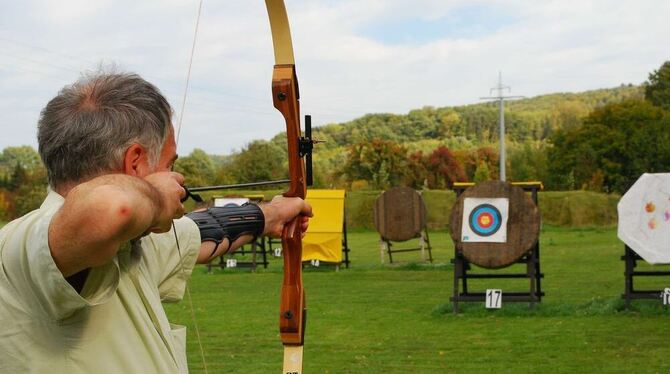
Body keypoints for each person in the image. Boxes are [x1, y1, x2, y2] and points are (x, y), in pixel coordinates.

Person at [0, 71, 312, 373]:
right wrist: (158, 197)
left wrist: (272, 214)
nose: (177, 179)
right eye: (169, 164)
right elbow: (112, 208)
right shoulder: (22, 247)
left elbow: (207, 230)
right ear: (135, 162)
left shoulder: (132, 244)